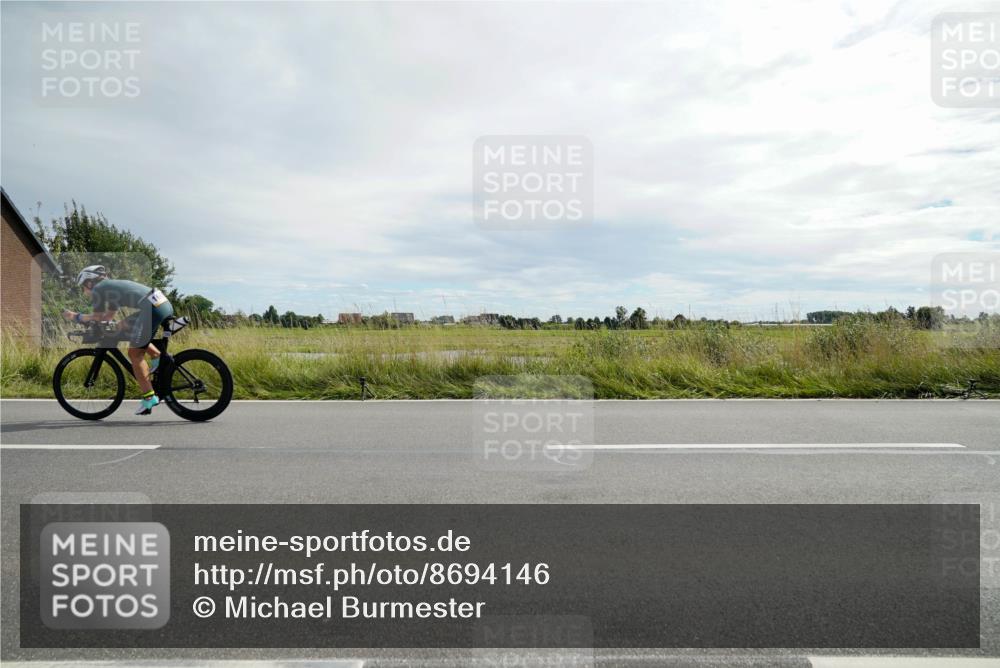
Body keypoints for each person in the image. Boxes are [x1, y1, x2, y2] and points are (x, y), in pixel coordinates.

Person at [62, 265, 174, 415]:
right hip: (162, 304)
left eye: (83, 287)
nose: (84, 291)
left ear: (89, 282)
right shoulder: (110, 288)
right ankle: (156, 356)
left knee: (135, 353)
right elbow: (108, 317)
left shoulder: (99, 289)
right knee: (121, 327)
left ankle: (149, 398)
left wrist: (75, 317)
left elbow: (98, 317)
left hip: (152, 308)